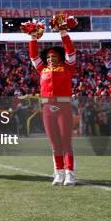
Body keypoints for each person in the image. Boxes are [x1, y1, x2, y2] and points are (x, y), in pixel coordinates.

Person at [28, 15, 77, 186]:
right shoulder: (42, 69)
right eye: (48, 57)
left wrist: (63, 33)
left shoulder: (68, 67)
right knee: (55, 142)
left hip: (63, 106)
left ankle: (70, 173)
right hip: (48, 107)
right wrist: (33, 37)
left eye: (54, 56)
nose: (50, 59)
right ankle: (58, 173)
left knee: (66, 141)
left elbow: (71, 51)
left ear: (59, 57)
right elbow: (33, 56)